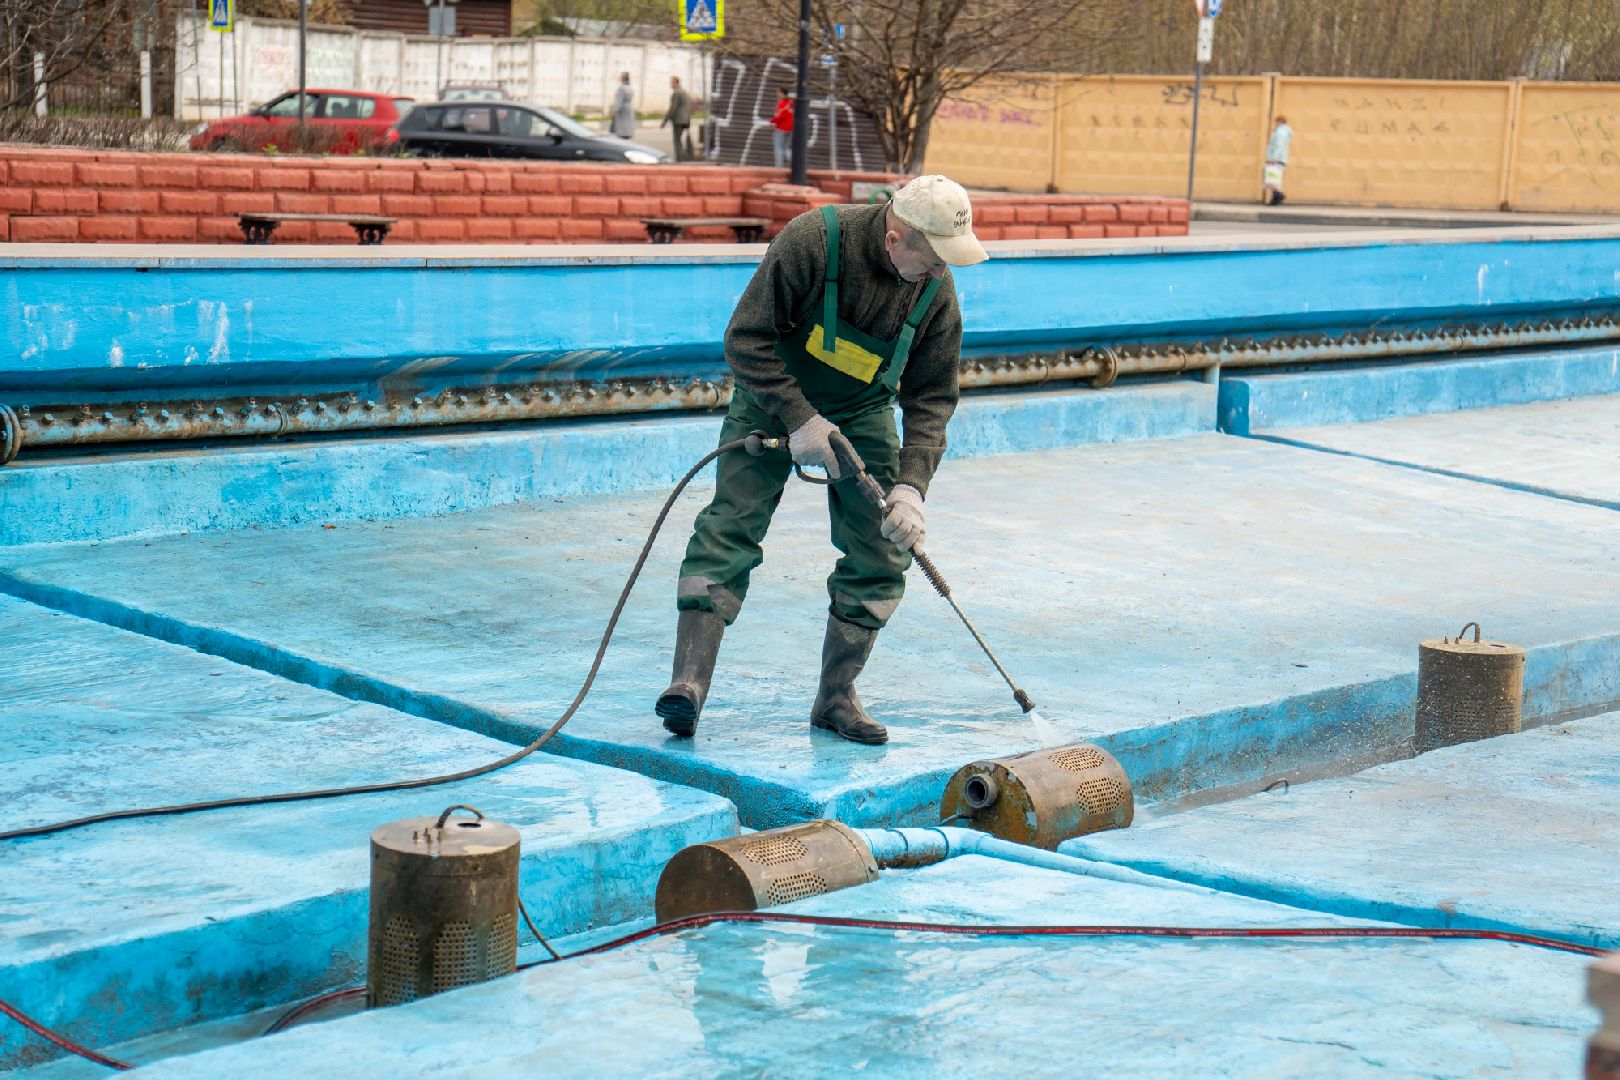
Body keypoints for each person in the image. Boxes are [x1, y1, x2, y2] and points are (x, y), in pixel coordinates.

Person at [655, 175, 989, 746]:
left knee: (883, 548)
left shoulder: (936, 289)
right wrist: (798, 417)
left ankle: (836, 697)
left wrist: (912, 486)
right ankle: (688, 684)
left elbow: (932, 396)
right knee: (728, 528)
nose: (940, 271)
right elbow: (745, 339)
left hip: (863, 413)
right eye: (933, 257)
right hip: (771, 403)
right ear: (894, 236)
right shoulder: (814, 241)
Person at [1263, 115, 1293, 205]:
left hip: (1276, 158)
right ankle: (1275, 198)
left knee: (1273, 178)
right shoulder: (1282, 131)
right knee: (1274, 178)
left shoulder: (1280, 132)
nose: (1274, 123)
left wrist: (1274, 158)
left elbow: (1279, 146)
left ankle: (1278, 196)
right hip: (1278, 158)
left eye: (1276, 121)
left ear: (1280, 121)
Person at [663, 75, 693, 162]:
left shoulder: (676, 93)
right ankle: (684, 157)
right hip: (685, 120)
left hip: (678, 121)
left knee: (677, 141)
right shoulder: (684, 92)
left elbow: (673, 108)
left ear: (675, 83)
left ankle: (679, 160)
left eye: (671, 82)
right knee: (680, 140)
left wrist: (665, 120)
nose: (670, 84)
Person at [771, 91, 794, 168]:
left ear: (783, 93)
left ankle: (779, 166)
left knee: (778, 147)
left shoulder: (782, 103)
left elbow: (779, 116)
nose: (777, 94)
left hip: (781, 128)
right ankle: (795, 163)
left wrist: (772, 121)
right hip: (791, 128)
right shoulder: (792, 103)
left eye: (778, 92)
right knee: (786, 148)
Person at [610, 72, 636, 140]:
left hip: (622, 110)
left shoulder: (621, 89)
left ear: (623, 78)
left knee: (621, 127)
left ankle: (622, 137)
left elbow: (619, 101)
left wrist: (614, 111)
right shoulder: (630, 88)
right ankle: (627, 135)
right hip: (629, 108)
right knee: (627, 125)